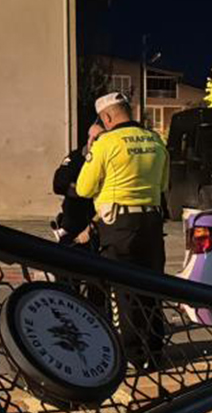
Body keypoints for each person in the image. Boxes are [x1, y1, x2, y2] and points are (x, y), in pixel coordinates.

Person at [75, 92, 169, 360]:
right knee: (152, 288)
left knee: (124, 294)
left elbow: (84, 188)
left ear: (106, 117)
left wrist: (94, 146)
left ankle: (131, 355)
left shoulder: (107, 142)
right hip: (151, 222)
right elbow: (163, 185)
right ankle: (155, 351)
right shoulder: (155, 139)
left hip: (118, 225)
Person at [52, 123, 105, 248]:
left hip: (100, 223)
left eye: (97, 138)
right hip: (74, 223)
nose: (91, 142)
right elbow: (59, 184)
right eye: (89, 137)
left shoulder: (110, 159)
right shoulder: (76, 157)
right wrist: (85, 190)